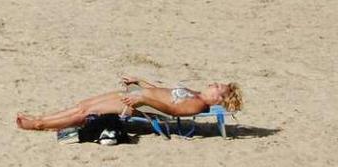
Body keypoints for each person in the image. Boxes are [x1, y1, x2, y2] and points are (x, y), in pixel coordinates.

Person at [15, 76, 243, 131]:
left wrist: (142, 97)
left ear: (218, 99)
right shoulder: (195, 94)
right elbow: (161, 91)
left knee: (88, 111)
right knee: (83, 104)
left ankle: (39, 125)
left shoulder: (197, 105)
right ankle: (41, 119)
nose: (213, 84)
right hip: (140, 95)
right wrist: (140, 82)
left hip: (139, 104)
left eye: (217, 87)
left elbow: (171, 109)